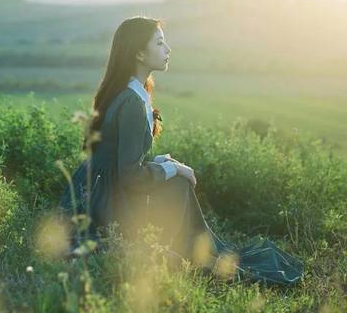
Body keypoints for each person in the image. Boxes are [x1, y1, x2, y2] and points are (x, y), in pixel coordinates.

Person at [59, 17, 303, 287]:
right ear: (139, 52)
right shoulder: (130, 100)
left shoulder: (135, 91)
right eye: (160, 43)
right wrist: (173, 169)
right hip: (106, 198)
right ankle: (180, 251)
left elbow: (124, 159)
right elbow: (129, 175)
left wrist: (165, 163)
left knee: (176, 181)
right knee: (177, 184)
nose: (168, 49)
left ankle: (181, 248)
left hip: (106, 186)